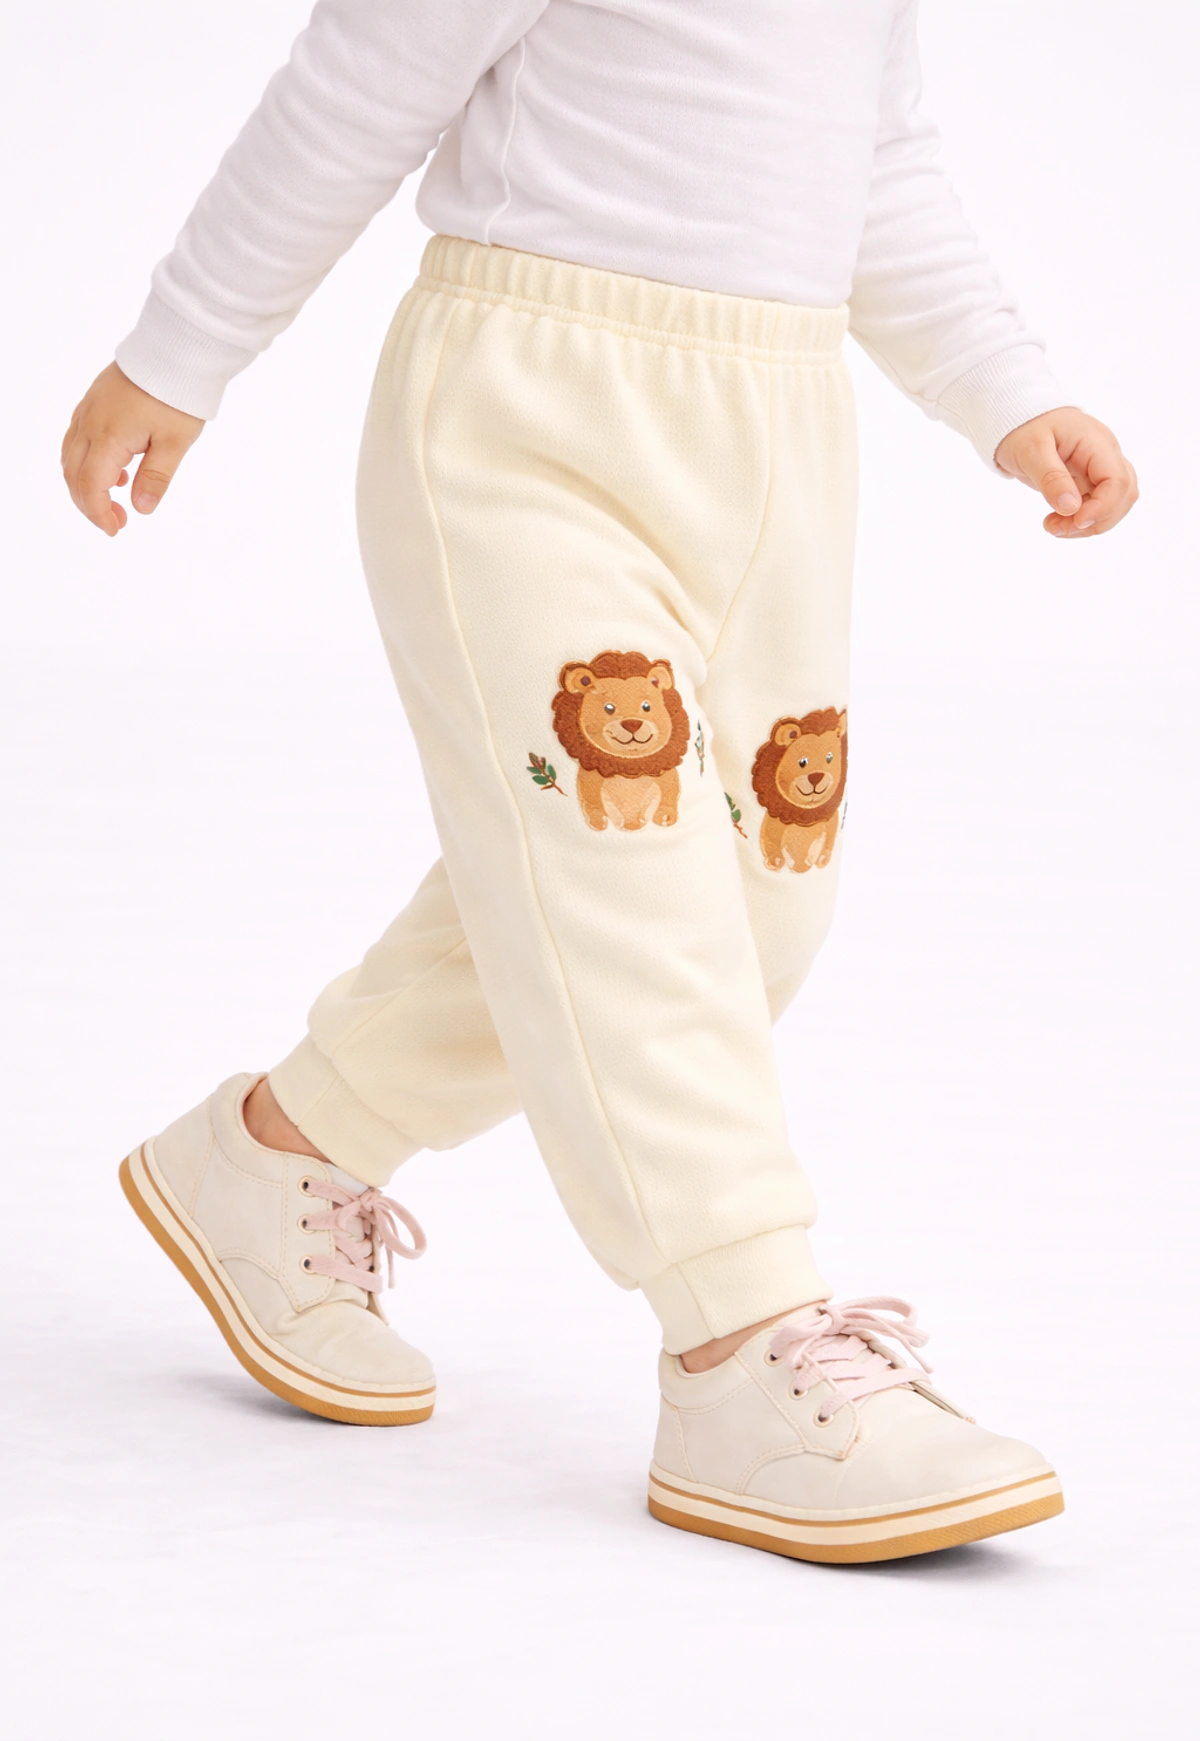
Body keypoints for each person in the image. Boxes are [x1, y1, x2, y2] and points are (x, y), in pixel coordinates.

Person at [61, 1, 1137, 1564]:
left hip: (780, 433)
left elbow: (879, 162)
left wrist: (1005, 384)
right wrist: (178, 351)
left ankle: (281, 1150)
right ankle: (740, 1347)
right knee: (625, 892)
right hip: (530, 421)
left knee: (761, 895)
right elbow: (354, 89)